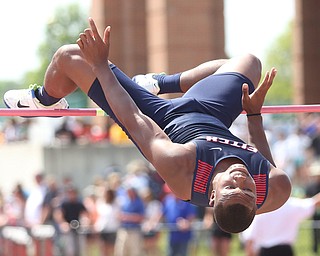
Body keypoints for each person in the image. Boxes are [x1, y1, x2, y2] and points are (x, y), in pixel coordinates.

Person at [3, 17, 291, 233]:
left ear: (213, 195)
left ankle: (44, 100)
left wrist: (102, 66)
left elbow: (134, 119)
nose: (241, 179)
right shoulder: (276, 189)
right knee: (250, 62)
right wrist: (254, 115)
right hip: (213, 113)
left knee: (69, 56)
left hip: (159, 117)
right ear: (258, 199)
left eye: (232, 187)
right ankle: (160, 82)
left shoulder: (182, 169)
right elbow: (264, 160)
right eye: (249, 190)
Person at [241, 193, 320, 256]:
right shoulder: (291, 205)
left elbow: (250, 241)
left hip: (266, 251)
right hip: (286, 251)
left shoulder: (260, 209)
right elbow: (315, 202)